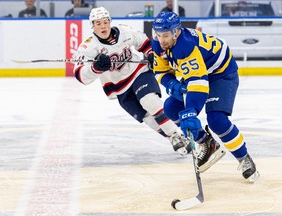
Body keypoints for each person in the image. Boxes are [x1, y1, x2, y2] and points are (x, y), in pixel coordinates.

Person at [151, 11, 260, 182]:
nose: (162, 40)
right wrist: (172, 84)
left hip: (221, 74)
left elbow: (198, 81)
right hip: (199, 73)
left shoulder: (185, 46)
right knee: (171, 107)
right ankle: (207, 143)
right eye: (158, 35)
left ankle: (244, 158)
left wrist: (191, 110)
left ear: (176, 32)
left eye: (165, 35)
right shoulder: (159, 45)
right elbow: (161, 71)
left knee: (217, 120)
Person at [73, 7, 191, 156]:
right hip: (118, 87)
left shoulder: (124, 31)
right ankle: (174, 139)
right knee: (147, 117)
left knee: (149, 101)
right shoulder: (89, 47)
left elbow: (144, 43)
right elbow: (80, 75)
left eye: (105, 22)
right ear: (92, 26)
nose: (102, 26)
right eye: (98, 23)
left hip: (138, 73)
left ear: (110, 22)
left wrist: (150, 54)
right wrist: (95, 68)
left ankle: (177, 134)